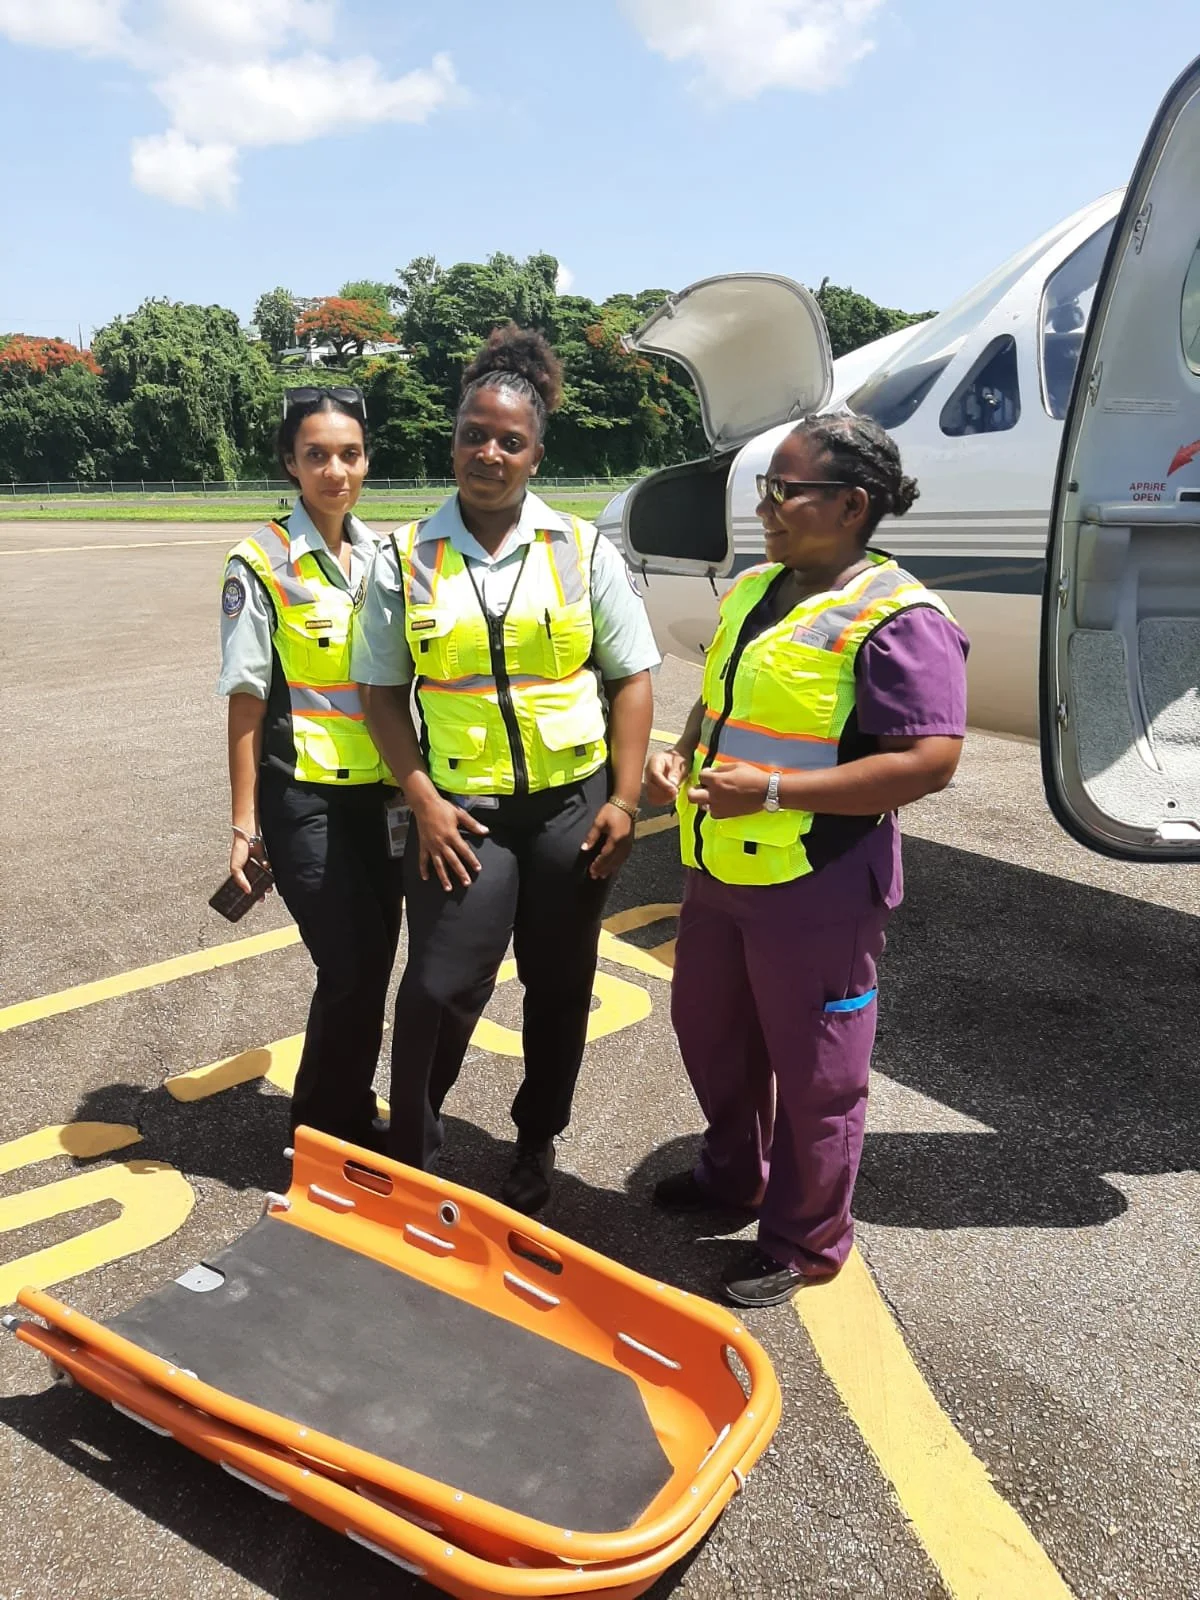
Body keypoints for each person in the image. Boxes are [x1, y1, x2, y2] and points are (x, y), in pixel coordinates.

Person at [645, 413, 968, 1308]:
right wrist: (682, 746)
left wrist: (779, 792)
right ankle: (731, 1175)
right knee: (710, 1036)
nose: (766, 509)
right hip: (719, 871)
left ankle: (803, 1239)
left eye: (785, 491)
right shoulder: (755, 589)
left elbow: (930, 762)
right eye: (765, 489)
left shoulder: (901, 618)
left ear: (851, 505)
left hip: (818, 884)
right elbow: (719, 702)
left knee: (818, 1075)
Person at [353, 325, 658, 1213]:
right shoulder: (403, 559)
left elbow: (632, 678)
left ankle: (535, 1140)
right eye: (473, 434)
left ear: (534, 453)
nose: (488, 453)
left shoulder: (581, 549)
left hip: (572, 806)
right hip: (464, 811)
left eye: (509, 440)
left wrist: (625, 800)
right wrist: (422, 799)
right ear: (453, 439)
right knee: (439, 984)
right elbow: (380, 693)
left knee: (560, 983)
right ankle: (414, 1148)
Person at [218, 386, 404, 1153]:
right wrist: (242, 820)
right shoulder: (260, 561)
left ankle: (344, 1113)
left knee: (370, 967)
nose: (336, 470)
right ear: (290, 463)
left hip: (383, 799)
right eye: (317, 455)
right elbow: (246, 698)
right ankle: (319, 1130)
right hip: (305, 801)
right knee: (349, 963)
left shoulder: (388, 558)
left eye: (350, 454)